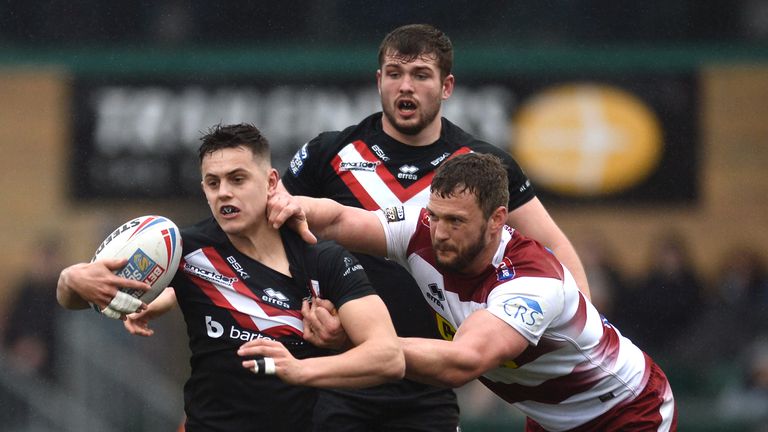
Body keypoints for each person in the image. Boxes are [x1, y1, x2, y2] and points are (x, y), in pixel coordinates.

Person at [281, 23, 591, 431]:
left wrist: (584, 337)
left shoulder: (482, 165)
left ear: (446, 86)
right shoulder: (329, 152)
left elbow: (555, 250)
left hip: (431, 384)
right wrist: (304, 305)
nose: (405, 87)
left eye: (421, 75)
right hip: (339, 371)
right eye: (394, 74)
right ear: (379, 81)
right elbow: (273, 238)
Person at [269, 152, 678, 431]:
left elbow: (462, 363)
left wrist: (357, 337)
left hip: (626, 413)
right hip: (551, 418)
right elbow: (339, 219)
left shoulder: (532, 281)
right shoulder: (422, 227)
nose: (440, 233)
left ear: (497, 219)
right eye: (435, 217)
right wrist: (289, 205)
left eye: (456, 222)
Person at [56, 123, 405, 432]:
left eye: (238, 179)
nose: (224, 192)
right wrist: (73, 280)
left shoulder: (323, 260)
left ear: (271, 182)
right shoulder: (180, 249)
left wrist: (299, 370)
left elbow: (387, 356)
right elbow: (73, 295)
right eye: (213, 182)